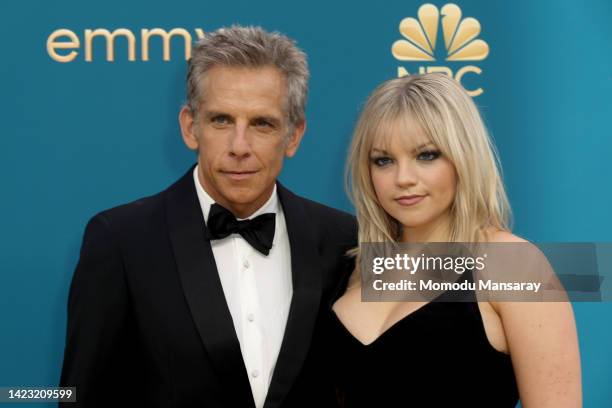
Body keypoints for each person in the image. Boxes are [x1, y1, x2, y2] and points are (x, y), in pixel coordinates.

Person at [60, 25, 356, 408]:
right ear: (190, 127)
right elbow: (79, 396)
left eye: (262, 124)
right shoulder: (120, 240)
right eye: (221, 120)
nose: (239, 147)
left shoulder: (344, 239)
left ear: (294, 135)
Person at [330, 73, 581, 407]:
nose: (403, 178)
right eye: (384, 160)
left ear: (462, 158)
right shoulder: (357, 266)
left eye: (426, 155)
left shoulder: (512, 264)